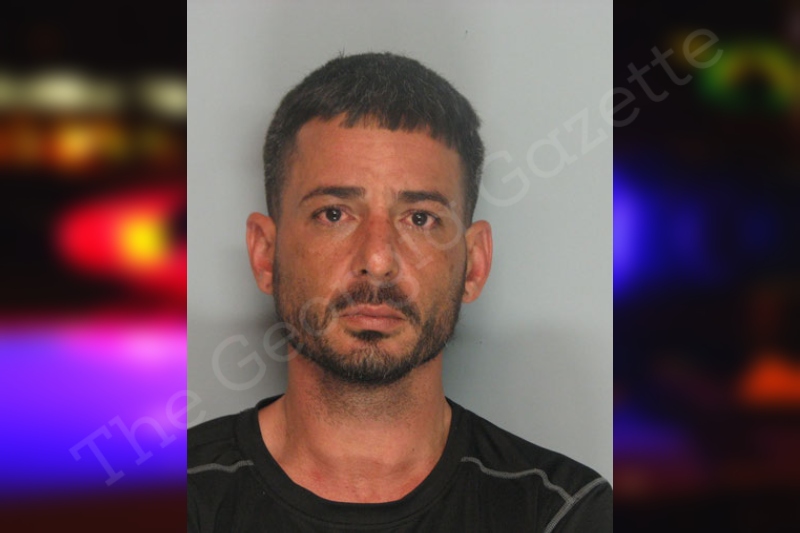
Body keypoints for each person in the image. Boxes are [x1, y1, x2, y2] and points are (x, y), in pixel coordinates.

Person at [187, 52, 612, 532]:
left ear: (474, 264)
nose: (377, 260)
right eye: (333, 214)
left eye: (420, 219)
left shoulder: (561, 513)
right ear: (265, 254)